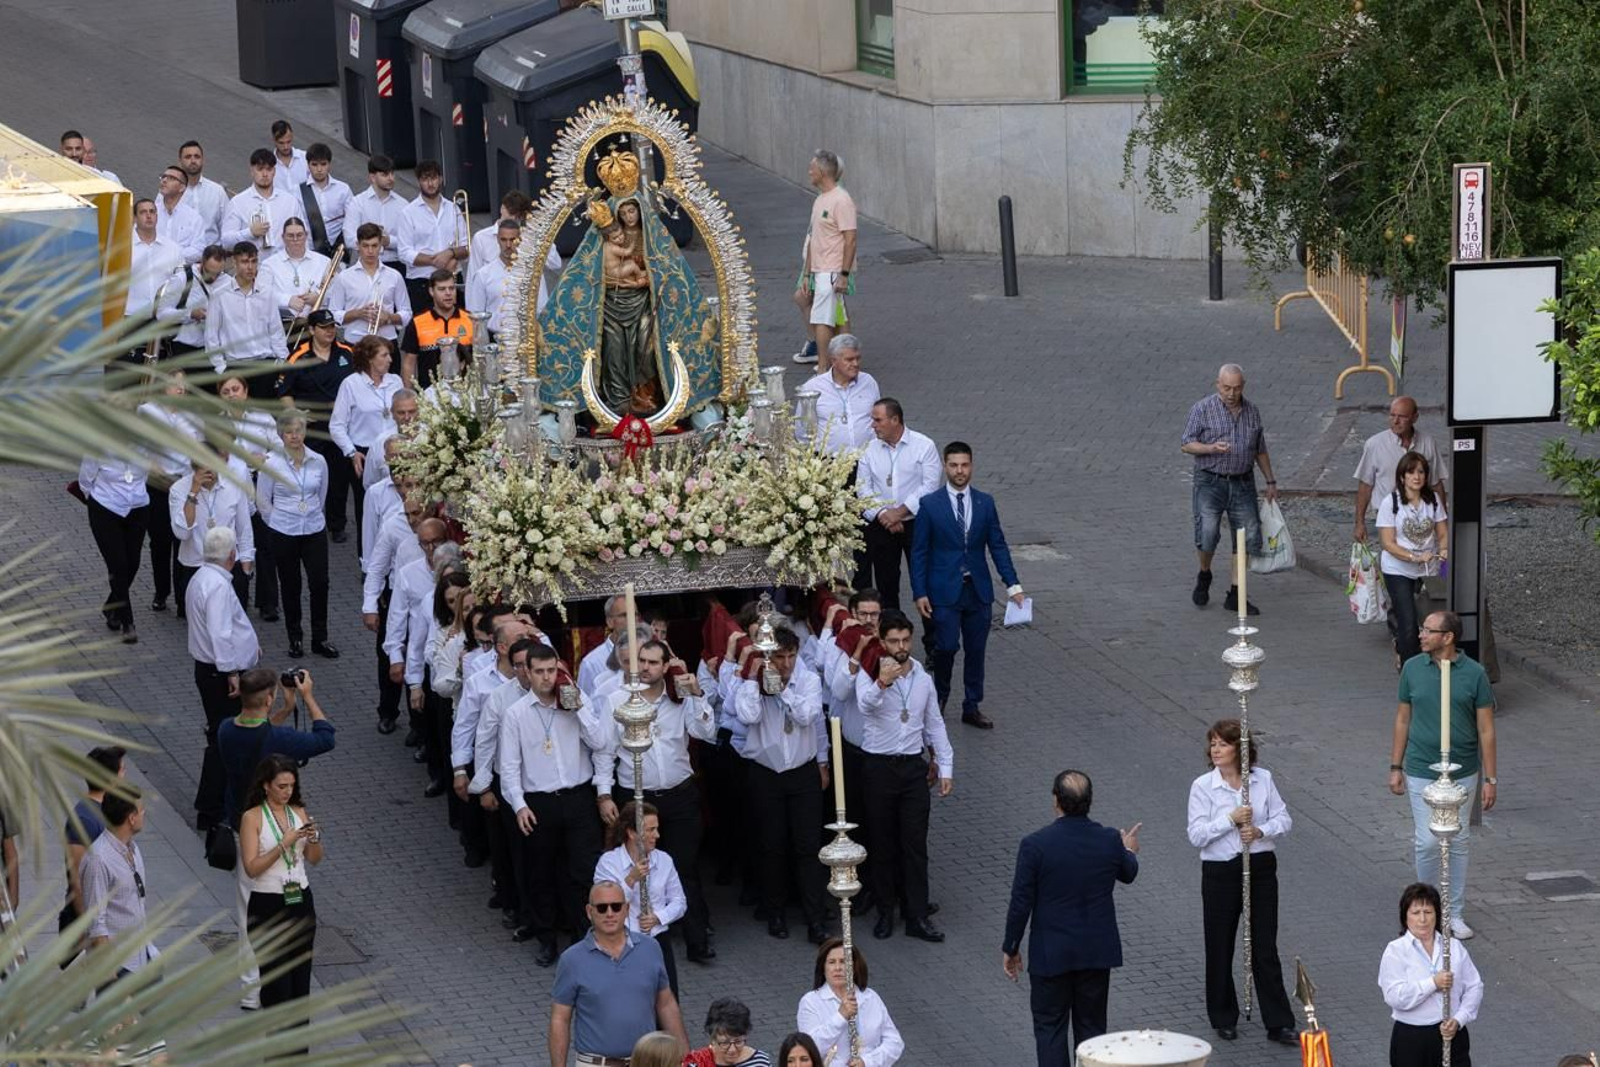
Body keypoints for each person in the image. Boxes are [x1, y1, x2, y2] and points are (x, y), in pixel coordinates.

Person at [1003, 770, 1141, 1062]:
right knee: (1092, 1031)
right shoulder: (1107, 840)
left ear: (1056, 800)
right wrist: (1129, 849)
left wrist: (1011, 947)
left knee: (1050, 1028)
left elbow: (1021, 902)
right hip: (1095, 954)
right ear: (1089, 801)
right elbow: (1128, 873)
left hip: (1051, 955)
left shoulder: (1035, 845)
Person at [595, 639, 717, 964]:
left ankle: (697, 939)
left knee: (685, 867)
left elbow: (705, 732)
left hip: (679, 794)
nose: (646, 667)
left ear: (666, 666)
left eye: (653, 662)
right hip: (636, 798)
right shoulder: (617, 700)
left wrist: (696, 694)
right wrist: (604, 794)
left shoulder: (679, 697)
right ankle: (634, 940)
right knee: (636, 867)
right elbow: (605, 751)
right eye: (642, 661)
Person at [1185, 720, 1297, 1045]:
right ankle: (1223, 1016)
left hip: (1260, 867)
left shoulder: (1262, 780)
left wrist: (1260, 831)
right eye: (1213, 744)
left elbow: (1284, 818)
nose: (1215, 750)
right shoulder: (1203, 786)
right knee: (1220, 944)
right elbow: (1196, 835)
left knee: (1264, 946)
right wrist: (1229, 820)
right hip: (1221, 871)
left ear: (1240, 749)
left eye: (1222, 744)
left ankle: (1278, 1022)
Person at [500, 641, 611, 966]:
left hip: (577, 797)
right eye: (540, 672)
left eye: (552, 670)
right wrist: (519, 804)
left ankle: (583, 937)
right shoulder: (516, 714)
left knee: (583, 871)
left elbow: (600, 741)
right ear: (528, 674)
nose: (547, 678)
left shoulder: (575, 700)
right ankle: (546, 938)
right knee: (541, 873)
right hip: (539, 802)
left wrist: (577, 708)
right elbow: (509, 766)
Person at [1389, 610, 1496, 938]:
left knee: (1458, 839)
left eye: (1428, 630)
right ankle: (1424, 910)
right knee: (1426, 841)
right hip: (1422, 767)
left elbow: (1486, 729)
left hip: (1463, 769)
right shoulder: (1411, 668)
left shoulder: (1474, 673)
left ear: (1447, 638)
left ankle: (1454, 912)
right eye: (1421, 629)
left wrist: (1491, 778)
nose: (1421, 635)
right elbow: (1403, 719)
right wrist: (1395, 766)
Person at [910, 440, 1024, 730]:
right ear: (945, 467)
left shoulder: (985, 503)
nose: (959, 471)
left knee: (976, 650)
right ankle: (940, 697)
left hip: (978, 590)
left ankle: (972, 705)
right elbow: (919, 552)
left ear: (971, 466)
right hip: (944, 591)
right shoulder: (930, 505)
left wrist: (1013, 584)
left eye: (964, 465)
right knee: (946, 647)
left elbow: (997, 545)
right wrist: (919, 591)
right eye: (954, 465)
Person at [854, 611, 952, 943]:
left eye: (906, 640)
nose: (901, 646)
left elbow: (934, 722)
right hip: (879, 767)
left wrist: (946, 765)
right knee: (882, 844)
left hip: (911, 768)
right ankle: (885, 911)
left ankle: (917, 915)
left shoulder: (922, 678)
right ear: (882, 642)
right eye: (894, 641)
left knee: (915, 844)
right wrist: (883, 682)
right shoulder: (870, 672)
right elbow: (865, 706)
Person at [734, 626, 829, 944]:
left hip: (801, 773)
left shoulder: (809, 681)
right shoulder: (752, 681)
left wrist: (783, 690)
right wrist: (754, 680)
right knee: (771, 847)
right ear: (767, 657)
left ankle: (814, 918)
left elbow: (807, 716)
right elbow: (746, 715)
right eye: (779, 657)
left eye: (791, 656)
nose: (786, 663)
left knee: (808, 848)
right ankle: (774, 913)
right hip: (766, 774)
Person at [548, 880, 689, 1067]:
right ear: (589, 912)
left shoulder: (651, 948)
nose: (609, 913)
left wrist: (686, 1057)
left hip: (645, 1062)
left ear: (626, 909)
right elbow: (560, 1018)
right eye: (601, 908)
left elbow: (666, 1004)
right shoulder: (572, 960)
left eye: (616, 906)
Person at [1180, 363, 1277, 615]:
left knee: (1246, 536)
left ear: (1243, 386)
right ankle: (1204, 573)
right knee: (1208, 533)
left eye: (1236, 388)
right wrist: (1210, 448)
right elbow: (1187, 444)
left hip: (1243, 481)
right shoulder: (1202, 409)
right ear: (1217, 385)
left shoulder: (1252, 412)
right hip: (1210, 481)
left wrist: (1270, 481)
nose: (1231, 393)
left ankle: (1236, 592)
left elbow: (1260, 449)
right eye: (1226, 388)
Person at [187, 526, 262, 831]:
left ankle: (215, 804)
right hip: (221, 674)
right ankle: (212, 807)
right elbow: (220, 632)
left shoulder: (202, 579)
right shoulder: (217, 586)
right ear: (232, 555)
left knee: (223, 739)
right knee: (224, 742)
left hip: (212, 671)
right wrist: (232, 671)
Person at [239, 754, 323, 1019]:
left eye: (291, 786)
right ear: (266, 785)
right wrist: (283, 844)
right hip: (268, 905)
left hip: (299, 900)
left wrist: (314, 838)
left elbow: (314, 858)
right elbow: (252, 868)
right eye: (281, 786)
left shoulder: (297, 811)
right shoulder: (252, 818)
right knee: (277, 988)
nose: (288, 792)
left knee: (300, 986)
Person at [1379, 882, 1483, 1067]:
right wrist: (1432, 984)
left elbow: (1474, 986)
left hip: (1451, 1034)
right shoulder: (1395, 951)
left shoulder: (1453, 947)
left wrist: (1459, 1019)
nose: (1422, 919)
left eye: (1428, 912)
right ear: (1405, 917)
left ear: (1437, 915)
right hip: (1412, 1039)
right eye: (1416, 913)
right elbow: (1395, 997)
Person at [259, 409, 334, 659]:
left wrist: (313, 515)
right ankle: (295, 637)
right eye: (289, 432)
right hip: (284, 531)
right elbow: (263, 501)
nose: (295, 436)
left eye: (299, 431)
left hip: (313, 528)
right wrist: (278, 522)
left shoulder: (318, 461)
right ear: (281, 435)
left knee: (320, 583)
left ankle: (319, 638)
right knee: (291, 585)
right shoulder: (271, 463)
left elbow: (321, 495)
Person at [853, 398, 940, 609]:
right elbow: (862, 488)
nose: (872, 425)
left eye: (878, 420)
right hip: (883, 526)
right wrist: (884, 514)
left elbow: (930, 486)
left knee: (925, 582)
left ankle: (932, 639)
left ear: (895, 420)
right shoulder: (869, 449)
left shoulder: (924, 445)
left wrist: (899, 512)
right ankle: (891, 632)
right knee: (886, 584)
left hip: (917, 524)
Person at [594, 801, 687, 997]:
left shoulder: (664, 860)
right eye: (651, 830)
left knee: (668, 997)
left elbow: (679, 901)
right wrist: (630, 879)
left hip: (657, 939)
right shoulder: (608, 863)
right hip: (623, 942)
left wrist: (658, 917)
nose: (657, 835)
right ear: (632, 833)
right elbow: (607, 906)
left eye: (657, 829)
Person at [277, 309, 355, 541]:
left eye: (332, 326)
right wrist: (295, 416)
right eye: (324, 327)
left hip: (340, 426)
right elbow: (283, 391)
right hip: (311, 428)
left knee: (339, 478)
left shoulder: (347, 353)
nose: (330, 331)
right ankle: (309, 519)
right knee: (309, 475)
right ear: (312, 330)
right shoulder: (297, 356)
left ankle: (337, 525)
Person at [330, 335, 404, 549]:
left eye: (390, 354)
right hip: (362, 453)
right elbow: (337, 425)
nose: (390, 359)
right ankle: (367, 559)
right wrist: (351, 452)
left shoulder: (395, 381)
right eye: (384, 355)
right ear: (370, 359)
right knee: (367, 510)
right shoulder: (351, 384)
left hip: (395, 449)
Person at [1378, 451, 1450, 666]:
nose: (1416, 477)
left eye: (1421, 472)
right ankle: (1411, 670)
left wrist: (1444, 550)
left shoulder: (1433, 501)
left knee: (1431, 619)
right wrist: (1414, 557)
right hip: (1397, 569)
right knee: (1408, 622)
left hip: (1429, 569)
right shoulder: (1390, 503)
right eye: (1411, 472)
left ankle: (1425, 657)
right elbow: (1388, 543)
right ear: (1402, 477)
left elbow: (1443, 533)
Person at [137, 374, 201, 614]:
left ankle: (183, 598)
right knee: (160, 542)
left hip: (184, 485)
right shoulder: (147, 412)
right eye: (176, 384)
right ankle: (161, 591)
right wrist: (151, 465)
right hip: (157, 486)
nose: (182, 388)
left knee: (183, 541)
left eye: (184, 384)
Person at [79, 788, 158, 977]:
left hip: (143, 955)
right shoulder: (98, 859)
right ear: (131, 818)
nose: (144, 813)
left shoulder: (133, 848)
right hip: (119, 965)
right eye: (141, 810)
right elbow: (96, 921)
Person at [793, 150, 856, 369]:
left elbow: (850, 240)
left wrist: (844, 275)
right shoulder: (821, 200)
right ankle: (845, 361)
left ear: (821, 171)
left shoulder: (841, 200)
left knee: (822, 320)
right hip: (820, 270)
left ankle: (823, 367)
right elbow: (814, 239)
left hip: (831, 271)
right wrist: (808, 273)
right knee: (839, 317)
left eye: (812, 169)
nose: (809, 172)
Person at [79, 448, 150, 642]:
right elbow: (85, 480)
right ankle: (127, 622)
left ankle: (112, 606)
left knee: (133, 564)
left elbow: (146, 473)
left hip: (137, 508)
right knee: (118, 565)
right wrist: (98, 503)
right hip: (105, 509)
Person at [60, 745, 128, 946]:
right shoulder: (85, 819)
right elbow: (77, 881)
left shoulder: (104, 813)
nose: (125, 776)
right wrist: (91, 934)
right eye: (122, 770)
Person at [797, 939, 903, 1067]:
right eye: (831, 962)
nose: (837, 968)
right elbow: (810, 1050)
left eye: (844, 962)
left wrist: (867, 1062)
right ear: (823, 967)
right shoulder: (811, 1002)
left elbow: (894, 1042)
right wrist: (840, 1017)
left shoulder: (871, 998)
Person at [207, 242, 289, 396]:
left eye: (253, 261)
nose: (250, 267)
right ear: (234, 263)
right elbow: (212, 338)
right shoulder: (219, 295)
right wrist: (221, 369)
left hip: (266, 365)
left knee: (266, 416)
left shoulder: (267, 292)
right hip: (235, 367)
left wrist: (281, 362)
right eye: (245, 262)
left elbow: (276, 330)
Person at [598, 212, 658, 414]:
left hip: (641, 302)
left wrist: (646, 280)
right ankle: (619, 398)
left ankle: (645, 395)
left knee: (646, 348)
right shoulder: (607, 246)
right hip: (612, 306)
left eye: (632, 211)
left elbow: (664, 266)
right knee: (614, 353)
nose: (628, 216)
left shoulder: (650, 234)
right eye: (623, 213)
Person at [396, 159, 469, 313]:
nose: (430, 183)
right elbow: (404, 252)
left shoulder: (453, 208)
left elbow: (466, 246)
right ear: (419, 182)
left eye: (434, 178)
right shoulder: (408, 213)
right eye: (425, 179)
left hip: (453, 278)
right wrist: (434, 261)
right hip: (422, 282)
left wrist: (450, 254)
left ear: (441, 179)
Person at [328, 222, 411, 346]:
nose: (370, 251)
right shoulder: (344, 277)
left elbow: (407, 313)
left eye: (374, 245)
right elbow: (333, 314)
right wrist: (358, 313)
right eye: (365, 246)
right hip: (355, 342)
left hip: (386, 341)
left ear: (381, 246)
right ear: (357, 246)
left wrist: (388, 317)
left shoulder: (394, 276)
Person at [801, 334, 879, 454]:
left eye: (858, 358)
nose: (856, 364)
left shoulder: (868, 382)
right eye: (849, 360)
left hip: (867, 458)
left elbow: (878, 418)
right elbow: (802, 430)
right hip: (830, 462)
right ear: (833, 360)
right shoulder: (812, 388)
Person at [399, 268, 474, 389]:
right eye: (442, 289)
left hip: (466, 393)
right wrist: (410, 396)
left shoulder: (470, 319)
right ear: (431, 291)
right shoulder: (418, 322)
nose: (448, 293)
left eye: (451, 288)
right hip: (430, 396)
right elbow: (409, 363)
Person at [222, 148, 300, 257]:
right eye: (260, 169)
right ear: (252, 171)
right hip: (252, 267)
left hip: (284, 266)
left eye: (268, 169)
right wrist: (250, 233)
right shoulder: (237, 203)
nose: (264, 174)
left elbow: (303, 237)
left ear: (274, 171)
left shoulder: (290, 201)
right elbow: (226, 242)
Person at [161, 243, 233, 359]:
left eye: (218, 273)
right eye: (209, 272)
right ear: (202, 262)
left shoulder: (228, 282)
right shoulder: (182, 278)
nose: (213, 278)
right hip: (183, 348)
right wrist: (190, 314)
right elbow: (162, 314)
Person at [260, 217, 333, 330]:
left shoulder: (324, 262)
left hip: (318, 326)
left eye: (299, 235)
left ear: (306, 235)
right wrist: (287, 300)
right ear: (283, 237)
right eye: (290, 236)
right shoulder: (269, 264)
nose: (295, 239)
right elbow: (262, 295)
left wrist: (319, 298)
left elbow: (336, 293)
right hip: (282, 325)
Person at [346, 155, 408, 272]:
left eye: (392, 174)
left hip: (395, 264)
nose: (391, 178)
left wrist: (389, 241)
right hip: (365, 264)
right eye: (385, 175)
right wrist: (373, 242)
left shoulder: (403, 204)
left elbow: (409, 241)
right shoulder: (357, 203)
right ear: (372, 178)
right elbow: (349, 238)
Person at [465, 219, 522, 337]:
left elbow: (540, 309)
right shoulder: (483, 275)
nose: (508, 245)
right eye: (503, 239)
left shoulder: (532, 273)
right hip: (493, 338)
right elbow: (476, 315)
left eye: (512, 240)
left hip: (524, 339)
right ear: (497, 240)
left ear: (520, 240)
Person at [685, 998, 770, 1067]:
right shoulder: (698, 1063)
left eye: (738, 1041)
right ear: (712, 1039)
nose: (732, 1050)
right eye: (725, 1043)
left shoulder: (760, 1062)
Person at [301, 142, 351, 256]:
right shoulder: (297, 191)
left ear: (329, 164)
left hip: (340, 251)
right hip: (311, 252)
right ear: (308, 165)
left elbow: (352, 220)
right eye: (314, 164)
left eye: (323, 164)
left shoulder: (343, 189)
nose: (319, 169)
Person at [177, 140, 228, 247]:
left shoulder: (217, 191)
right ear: (180, 162)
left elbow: (228, 227)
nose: (193, 160)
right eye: (188, 157)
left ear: (203, 160)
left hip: (212, 257)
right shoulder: (170, 192)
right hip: (180, 258)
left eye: (197, 156)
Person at [155, 165, 207, 264]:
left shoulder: (194, 218)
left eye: (171, 178)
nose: (164, 180)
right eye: (163, 176)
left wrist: (172, 255)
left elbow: (199, 249)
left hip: (180, 272)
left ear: (182, 187)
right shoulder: (150, 211)